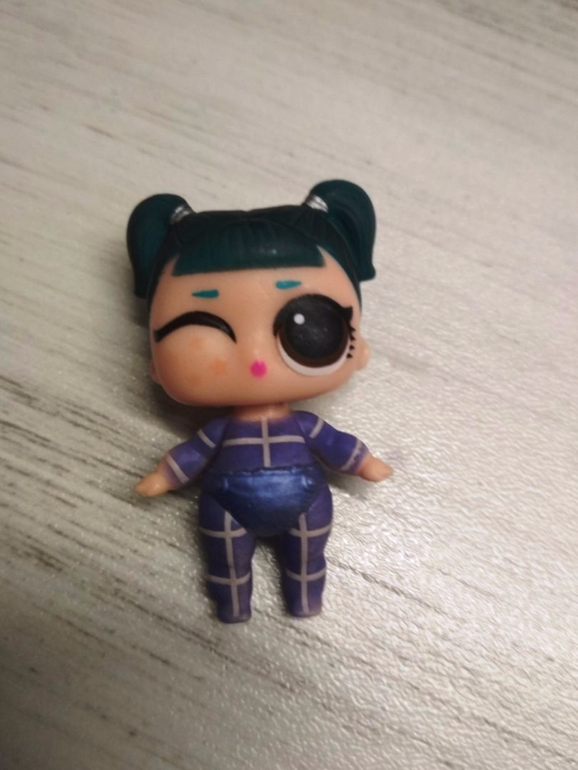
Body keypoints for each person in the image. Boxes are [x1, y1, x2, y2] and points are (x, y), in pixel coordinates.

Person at [128, 180, 393, 623]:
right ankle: (232, 605)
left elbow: (336, 445)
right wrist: (163, 476)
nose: (254, 360)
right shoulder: (220, 433)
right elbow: (192, 455)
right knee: (226, 563)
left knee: (308, 557)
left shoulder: (304, 428)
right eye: (200, 328)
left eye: (306, 324)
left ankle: (305, 598)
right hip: (226, 504)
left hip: (306, 501)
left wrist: (365, 463)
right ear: (154, 362)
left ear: (359, 347)